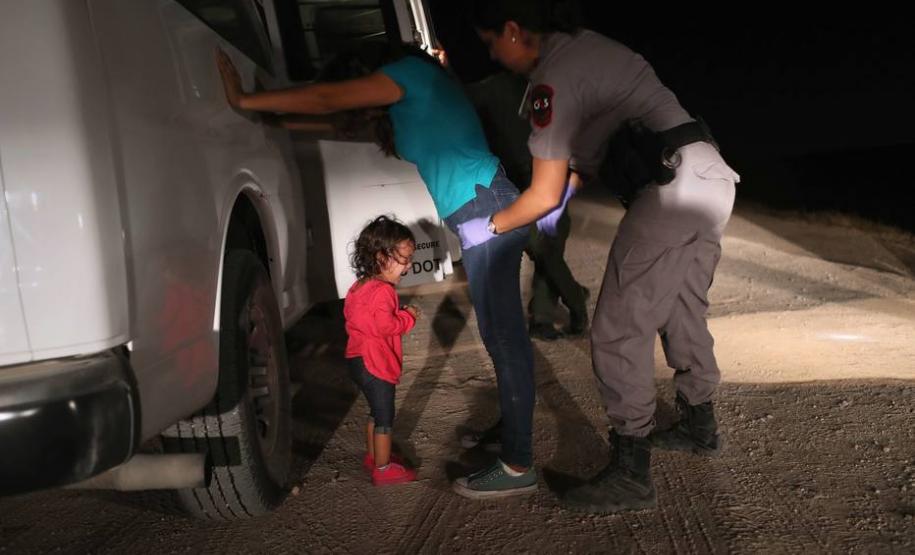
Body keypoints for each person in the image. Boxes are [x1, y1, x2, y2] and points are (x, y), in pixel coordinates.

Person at [217, 42, 538, 498]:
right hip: (477, 212)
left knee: (505, 341)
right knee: (500, 338)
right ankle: (512, 430)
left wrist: (245, 99)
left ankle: (518, 462)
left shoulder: (412, 74)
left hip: (488, 208)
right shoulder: (406, 105)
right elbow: (332, 118)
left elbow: (328, 99)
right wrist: (271, 118)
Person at [464, 0, 740, 512]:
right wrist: (562, 195)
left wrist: (491, 225)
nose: (494, 56)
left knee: (617, 327)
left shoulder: (554, 76)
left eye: (490, 43)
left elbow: (543, 192)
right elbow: (582, 164)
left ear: (513, 30)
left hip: (671, 188)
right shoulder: (590, 48)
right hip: (711, 177)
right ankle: (699, 425)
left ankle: (631, 472)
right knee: (682, 308)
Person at [465, 71, 589, 341]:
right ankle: (572, 301)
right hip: (540, 178)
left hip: (526, 180)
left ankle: (547, 314)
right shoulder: (530, 83)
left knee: (547, 251)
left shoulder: (474, 96)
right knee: (547, 251)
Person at [343, 216, 420, 486]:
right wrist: (408, 316)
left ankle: (374, 456)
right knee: (385, 417)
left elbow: (358, 319)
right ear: (382, 257)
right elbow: (386, 326)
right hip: (376, 363)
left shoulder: (358, 287)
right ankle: (383, 468)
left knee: (375, 411)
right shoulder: (384, 291)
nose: (408, 266)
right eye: (405, 259)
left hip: (356, 359)